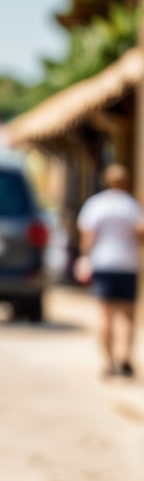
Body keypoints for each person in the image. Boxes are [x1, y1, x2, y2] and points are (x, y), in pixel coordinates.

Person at [77, 162, 144, 378]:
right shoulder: (131, 205)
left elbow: (88, 235)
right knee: (126, 315)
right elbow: (140, 232)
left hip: (103, 262)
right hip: (127, 263)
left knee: (105, 314)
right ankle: (123, 358)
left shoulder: (96, 204)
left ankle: (108, 362)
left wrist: (85, 258)